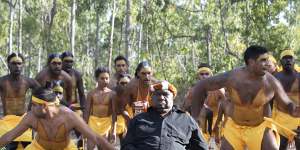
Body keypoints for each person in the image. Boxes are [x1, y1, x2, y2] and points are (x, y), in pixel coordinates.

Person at [191, 45, 300, 150]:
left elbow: (287, 105)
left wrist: (295, 111)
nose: (268, 64)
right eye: (263, 60)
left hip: (260, 128)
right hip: (235, 128)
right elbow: (201, 86)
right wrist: (195, 118)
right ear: (251, 62)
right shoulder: (232, 78)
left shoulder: (272, 82)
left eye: (268, 60)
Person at [0, 87, 115, 150]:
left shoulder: (69, 117)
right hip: (38, 147)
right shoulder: (31, 116)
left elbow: (95, 137)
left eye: (34, 105)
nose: (30, 108)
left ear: (44, 106)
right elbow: (9, 136)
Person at [121, 81, 208, 150]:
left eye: (165, 94)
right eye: (158, 94)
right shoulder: (138, 120)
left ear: (173, 97)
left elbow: (201, 147)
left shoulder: (186, 120)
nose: (161, 97)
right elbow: (126, 145)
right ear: (151, 98)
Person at [0, 53, 40, 149]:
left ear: (23, 65)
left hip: (24, 121)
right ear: (8, 65)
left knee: (28, 146)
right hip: (6, 122)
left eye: (19, 63)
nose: (17, 66)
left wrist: (32, 109)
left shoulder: (28, 81)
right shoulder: (2, 81)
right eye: (14, 63)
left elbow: (43, 92)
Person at [183, 63, 226, 143]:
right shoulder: (193, 91)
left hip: (217, 121)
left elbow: (227, 108)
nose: (204, 76)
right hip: (201, 122)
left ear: (211, 75)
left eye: (207, 74)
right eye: (202, 74)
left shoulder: (219, 90)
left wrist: (221, 125)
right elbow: (185, 109)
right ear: (198, 76)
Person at [273, 49, 300, 149]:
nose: (288, 60)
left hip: (298, 120)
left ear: (294, 61)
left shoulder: (299, 77)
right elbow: (269, 100)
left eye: (290, 58)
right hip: (280, 120)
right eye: (285, 58)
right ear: (280, 62)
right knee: (280, 147)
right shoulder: (275, 78)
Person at [84, 67, 113, 149]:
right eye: (102, 78)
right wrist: (84, 127)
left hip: (105, 123)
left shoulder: (111, 94)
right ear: (97, 79)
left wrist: (113, 130)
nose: (105, 81)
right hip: (93, 122)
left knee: (103, 147)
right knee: (90, 146)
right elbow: (87, 111)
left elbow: (113, 112)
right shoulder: (91, 93)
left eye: (107, 78)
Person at [109, 73, 132, 143]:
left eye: (127, 83)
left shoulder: (134, 93)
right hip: (116, 121)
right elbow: (114, 113)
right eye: (122, 83)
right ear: (118, 83)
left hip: (130, 121)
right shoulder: (115, 95)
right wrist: (113, 130)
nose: (125, 85)